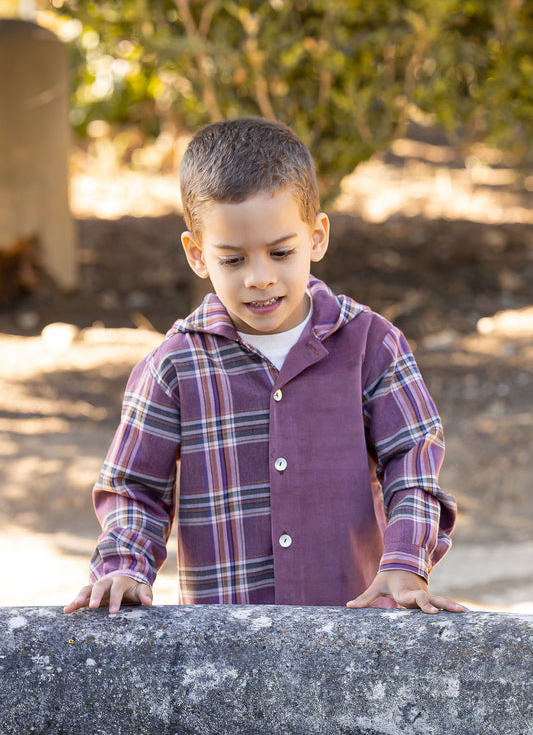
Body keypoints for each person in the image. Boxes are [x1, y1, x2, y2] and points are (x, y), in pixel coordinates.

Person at [65, 117, 466, 616]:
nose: (260, 278)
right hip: (224, 648)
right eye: (232, 260)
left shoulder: (372, 345)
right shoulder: (174, 366)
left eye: (281, 252)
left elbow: (414, 464)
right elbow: (134, 487)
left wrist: (407, 561)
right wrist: (124, 565)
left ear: (317, 237)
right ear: (197, 254)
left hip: (356, 633)